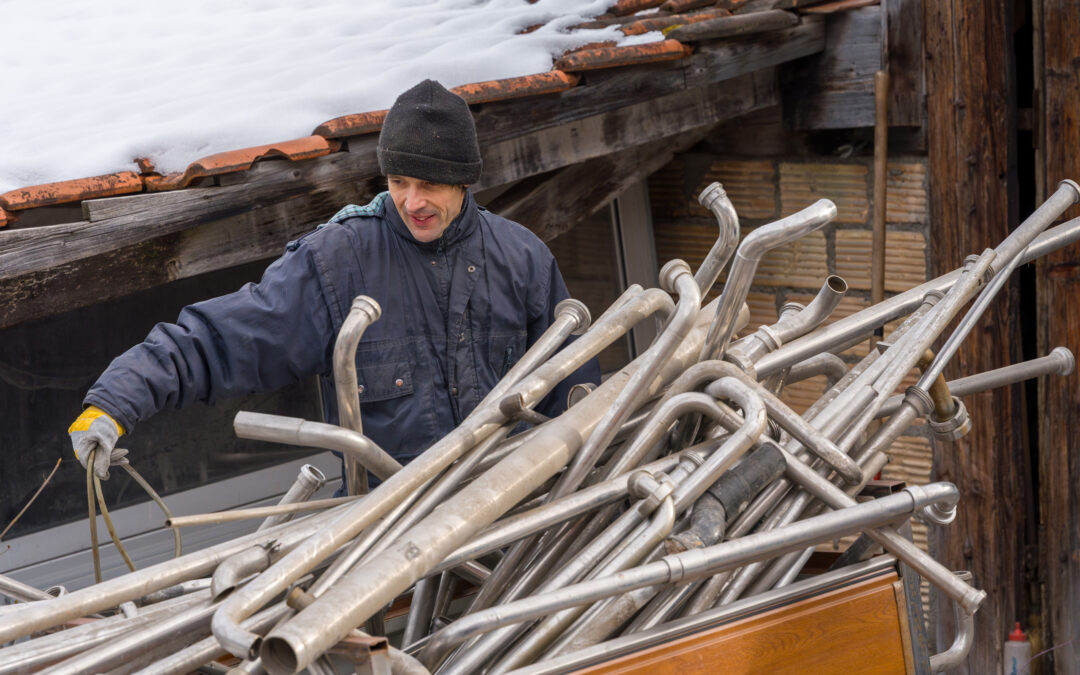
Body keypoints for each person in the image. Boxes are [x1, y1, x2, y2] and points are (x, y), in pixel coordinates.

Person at [68, 79, 601, 487]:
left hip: (521, 532)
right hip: (389, 552)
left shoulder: (522, 257)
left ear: (465, 179)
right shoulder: (340, 260)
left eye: (431, 184)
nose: (412, 202)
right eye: (398, 182)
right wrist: (116, 401)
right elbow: (222, 340)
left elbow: (574, 395)